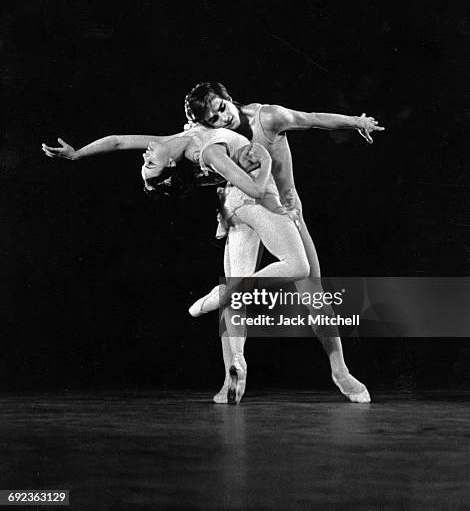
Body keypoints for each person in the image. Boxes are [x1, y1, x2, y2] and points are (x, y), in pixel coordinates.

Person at [43, 126, 316, 404]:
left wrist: (77, 154)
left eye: (146, 163)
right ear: (170, 164)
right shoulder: (203, 151)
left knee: (237, 299)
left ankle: (233, 368)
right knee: (296, 267)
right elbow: (257, 186)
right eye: (150, 164)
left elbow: (117, 141)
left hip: (232, 204)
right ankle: (224, 297)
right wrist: (268, 159)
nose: (146, 157)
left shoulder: (169, 143)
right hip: (255, 198)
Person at [184, 82, 384, 403]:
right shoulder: (211, 137)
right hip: (243, 212)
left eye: (222, 108)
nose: (222, 119)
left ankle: (340, 371)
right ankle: (231, 378)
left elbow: (313, 118)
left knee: (313, 295)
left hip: (284, 213)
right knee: (233, 297)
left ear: (228, 97)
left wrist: (355, 121)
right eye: (213, 119)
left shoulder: (268, 117)